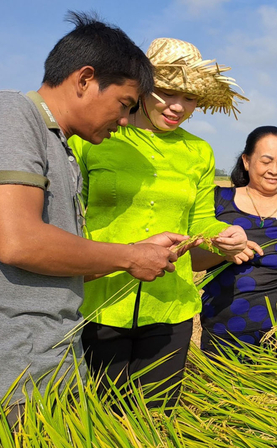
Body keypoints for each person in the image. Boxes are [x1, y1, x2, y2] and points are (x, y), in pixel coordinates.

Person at [0, 12, 191, 425]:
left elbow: (61, 266)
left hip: (56, 367)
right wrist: (127, 257)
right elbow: (17, 241)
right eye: (124, 104)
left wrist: (140, 252)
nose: (124, 121)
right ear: (85, 79)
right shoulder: (14, 114)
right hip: (18, 378)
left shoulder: (62, 148)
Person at [68, 38, 248, 407]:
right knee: (97, 418)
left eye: (191, 98)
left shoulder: (198, 151)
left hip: (170, 308)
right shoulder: (95, 138)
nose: (178, 107)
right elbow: (70, 218)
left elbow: (201, 221)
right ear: (143, 86)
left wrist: (224, 237)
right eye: (166, 92)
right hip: (99, 305)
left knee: (155, 419)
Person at [192, 126, 277, 353]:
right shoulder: (218, 202)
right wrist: (223, 250)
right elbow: (193, 261)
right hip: (224, 333)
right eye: (266, 161)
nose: (274, 170)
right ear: (246, 161)